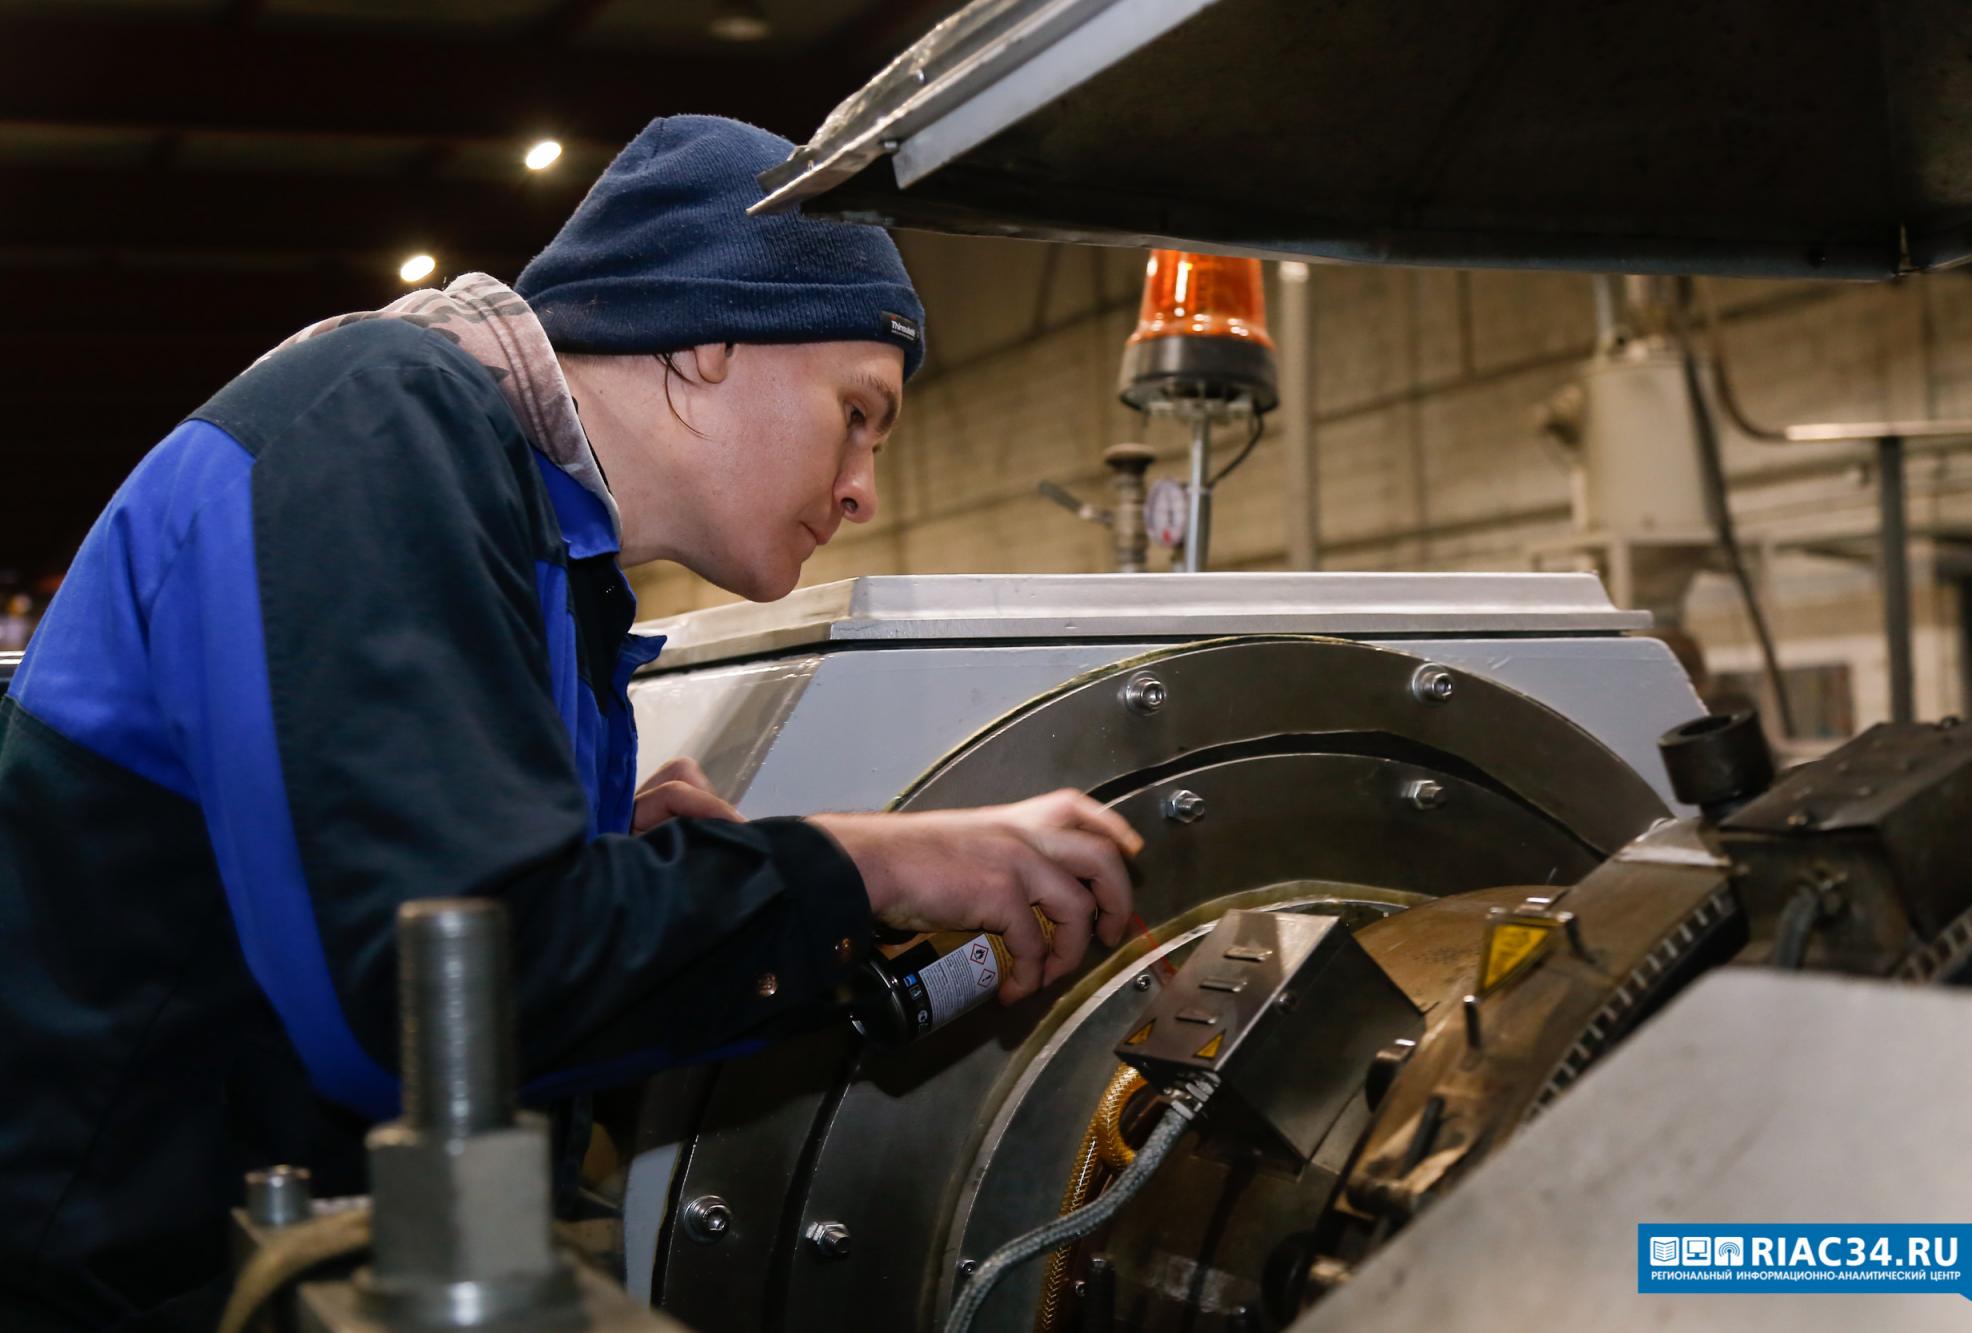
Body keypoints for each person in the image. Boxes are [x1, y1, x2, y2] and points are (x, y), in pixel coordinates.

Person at [0, 115, 1139, 1330]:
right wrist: (866, 862)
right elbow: (426, 1002)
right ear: (709, 340)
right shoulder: (380, 428)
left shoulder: (542, 546)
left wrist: (653, 881)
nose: (862, 486)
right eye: (856, 412)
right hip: (117, 1280)